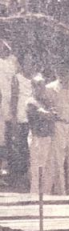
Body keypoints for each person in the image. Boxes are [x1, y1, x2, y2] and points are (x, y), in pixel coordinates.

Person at [45, 63, 69, 195]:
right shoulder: (50, 88)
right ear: (56, 71)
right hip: (59, 124)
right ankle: (60, 193)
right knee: (58, 160)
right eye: (60, 71)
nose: (63, 74)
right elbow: (47, 105)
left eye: (66, 71)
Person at [9, 53, 37, 187]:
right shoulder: (17, 78)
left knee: (33, 150)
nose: (29, 65)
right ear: (21, 64)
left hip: (34, 120)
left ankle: (32, 178)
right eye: (27, 62)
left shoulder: (37, 80)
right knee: (21, 149)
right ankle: (20, 179)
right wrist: (14, 118)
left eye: (32, 62)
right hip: (21, 119)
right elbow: (14, 99)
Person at [25, 75, 56, 196]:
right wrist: (49, 114)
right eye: (38, 86)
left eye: (42, 86)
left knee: (48, 168)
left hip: (47, 137)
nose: (41, 88)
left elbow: (53, 115)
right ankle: (34, 196)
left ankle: (46, 195)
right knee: (36, 169)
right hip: (36, 138)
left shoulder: (45, 101)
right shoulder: (31, 101)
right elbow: (46, 115)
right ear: (33, 87)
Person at [0, 41, 18, 179]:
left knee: (5, 137)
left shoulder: (11, 63)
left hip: (5, 105)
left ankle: (4, 167)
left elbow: (14, 87)